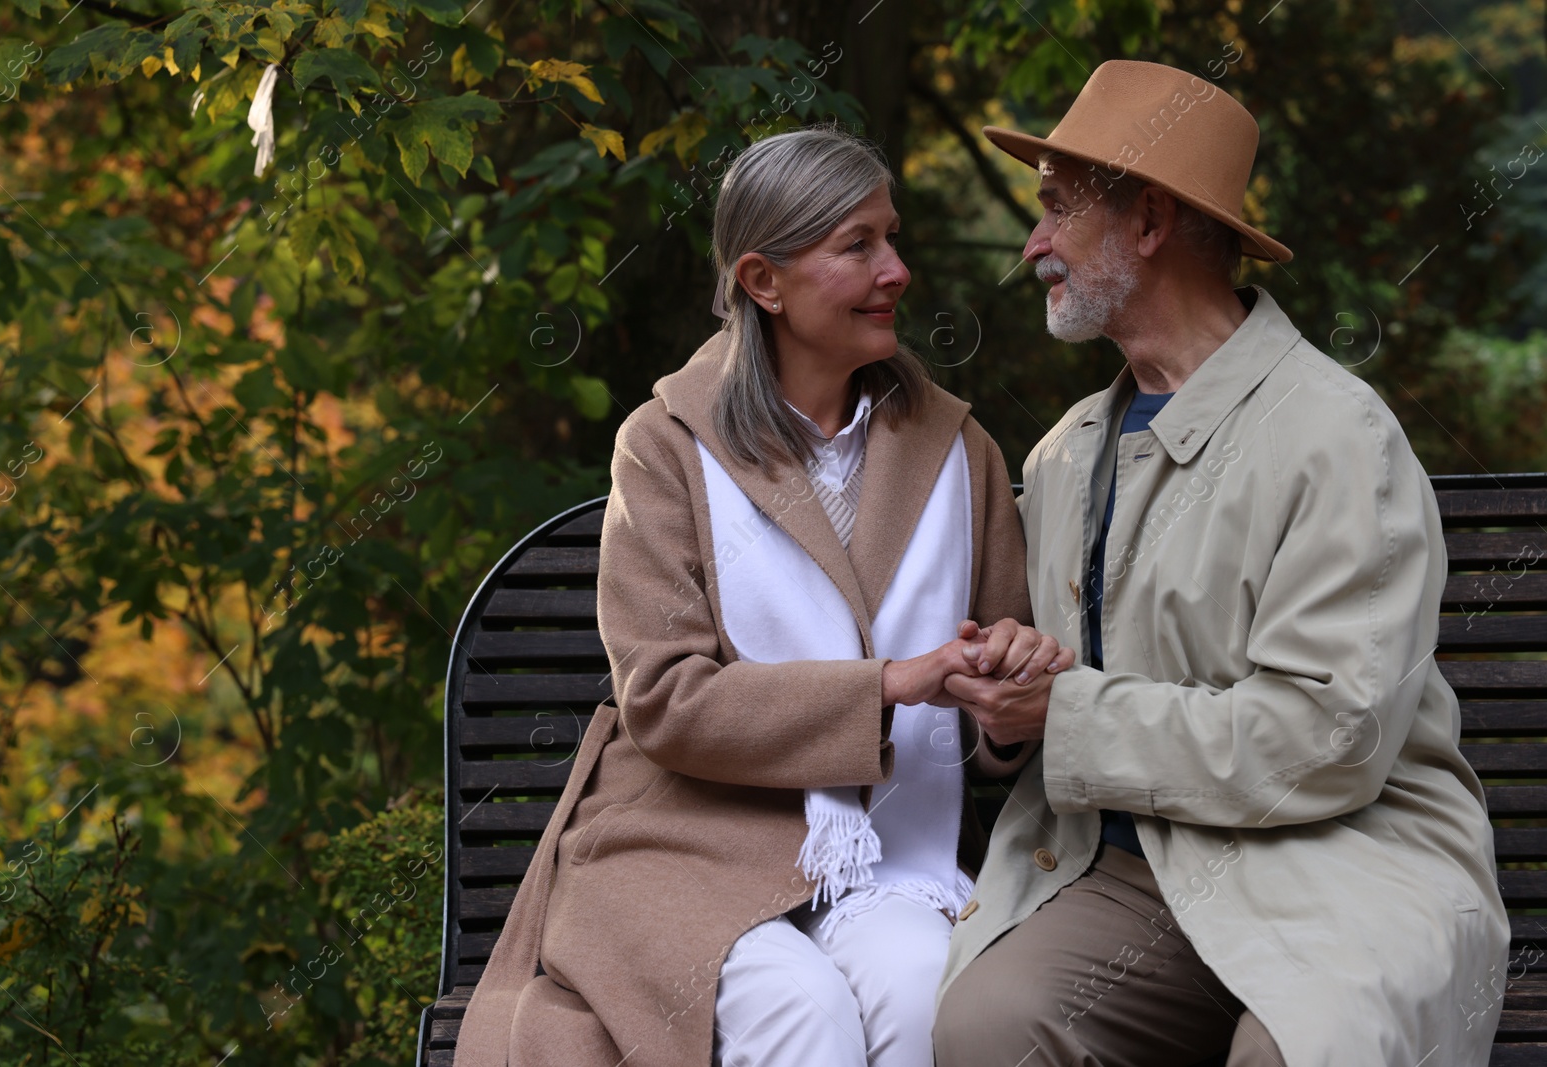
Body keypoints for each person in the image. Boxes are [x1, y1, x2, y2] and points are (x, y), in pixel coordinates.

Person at [452, 126, 1071, 1067]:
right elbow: (664, 697)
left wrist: (1008, 699)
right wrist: (890, 683)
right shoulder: (664, 447)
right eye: (856, 245)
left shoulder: (958, 449)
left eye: (892, 237)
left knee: (925, 999)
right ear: (763, 281)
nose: (896, 269)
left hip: (893, 859)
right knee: (801, 1012)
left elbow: (1000, 714)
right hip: (685, 850)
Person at [932, 60, 1509, 1066]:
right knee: (989, 1031)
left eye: (1057, 208)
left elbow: (1327, 737)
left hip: (1344, 867)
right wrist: (1009, 699)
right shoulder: (1061, 456)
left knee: (1299, 1051)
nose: (1032, 245)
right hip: (1126, 874)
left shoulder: (1337, 438)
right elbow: (1044, 708)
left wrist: (1064, 712)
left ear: (1149, 222)